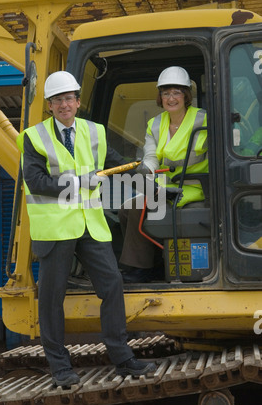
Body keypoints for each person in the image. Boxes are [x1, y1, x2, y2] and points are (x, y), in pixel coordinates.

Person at [16, 71, 155, 387]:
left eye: (68, 99)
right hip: (55, 228)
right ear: (49, 106)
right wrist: (79, 183)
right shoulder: (33, 137)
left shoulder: (95, 133)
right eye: (57, 100)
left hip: (90, 224)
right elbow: (35, 182)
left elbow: (115, 162)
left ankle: (122, 359)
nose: (64, 105)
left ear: (78, 102)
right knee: (52, 299)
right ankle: (60, 368)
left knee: (112, 285)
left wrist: (141, 166)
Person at [119, 66, 208, 283]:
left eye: (176, 92)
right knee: (128, 209)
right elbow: (151, 155)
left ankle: (164, 267)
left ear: (186, 95)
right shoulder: (156, 124)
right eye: (166, 93)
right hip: (165, 189)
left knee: (189, 219)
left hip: (197, 189)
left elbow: (202, 155)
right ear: (160, 97)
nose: (171, 98)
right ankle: (147, 266)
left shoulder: (203, 119)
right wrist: (146, 169)